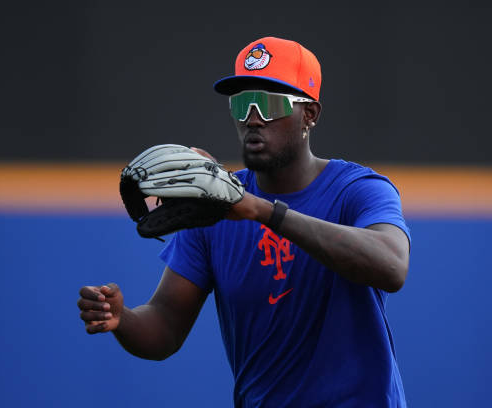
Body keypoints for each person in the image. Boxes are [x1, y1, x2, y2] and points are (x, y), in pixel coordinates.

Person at [78, 37, 411, 407]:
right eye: (241, 104)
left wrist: (262, 210)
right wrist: (121, 318)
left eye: (269, 104)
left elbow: (392, 266)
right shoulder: (214, 205)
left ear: (310, 114)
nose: (253, 117)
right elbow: (165, 326)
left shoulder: (357, 189)